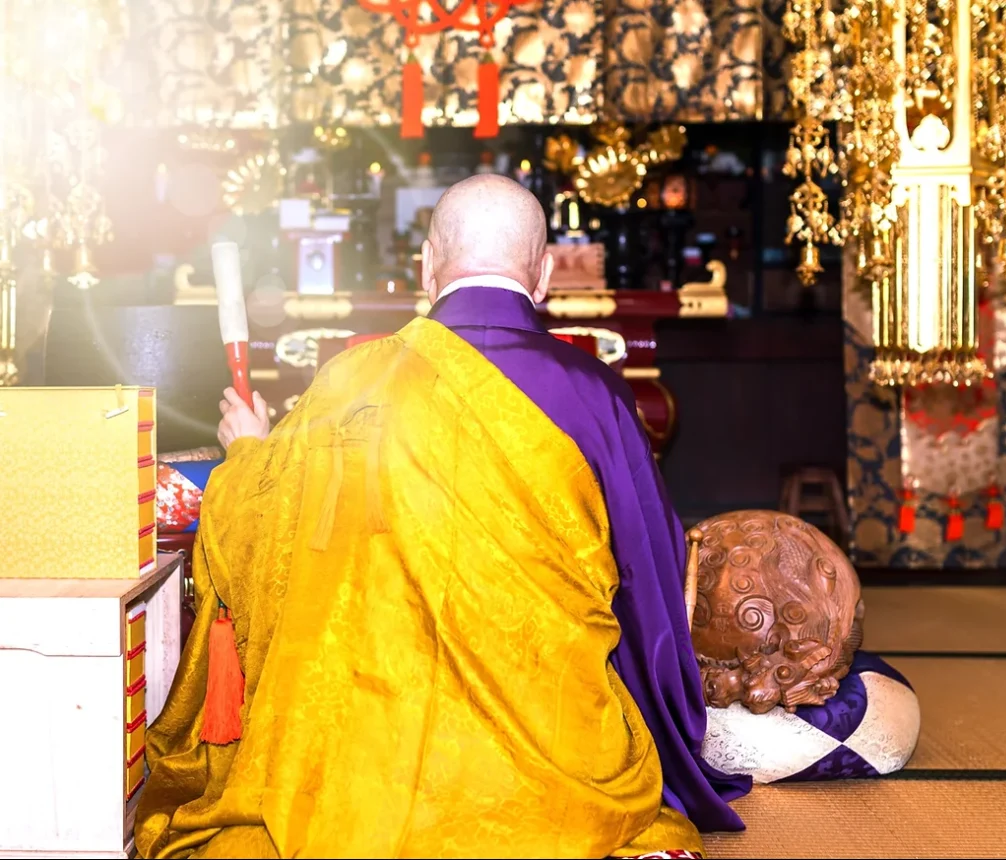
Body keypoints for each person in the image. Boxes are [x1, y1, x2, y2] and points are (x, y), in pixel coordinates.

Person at [136, 175, 748, 859]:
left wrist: (248, 451)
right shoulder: (592, 391)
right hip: (557, 759)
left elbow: (257, 541)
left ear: (426, 266)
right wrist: (673, 748)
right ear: (543, 273)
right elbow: (650, 591)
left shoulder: (349, 382)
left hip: (369, 762)